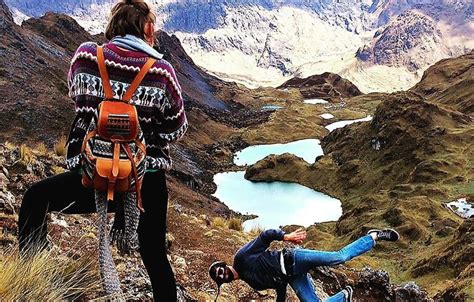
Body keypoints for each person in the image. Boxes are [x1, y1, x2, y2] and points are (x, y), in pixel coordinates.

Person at [17, 0, 187, 300]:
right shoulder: (162, 71)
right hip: (142, 181)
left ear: (114, 24)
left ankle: (34, 280)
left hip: (92, 173)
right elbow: (176, 128)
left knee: (35, 199)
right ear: (147, 28)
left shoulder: (86, 56)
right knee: (155, 256)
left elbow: (77, 99)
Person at [209, 228, 400, 301]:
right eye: (219, 278)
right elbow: (279, 285)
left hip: (295, 258)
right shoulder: (254, 283)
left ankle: (373, 236)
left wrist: (287, 237)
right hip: (292, 276)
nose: (222, 275)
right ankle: (344, 296)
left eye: (220, 270)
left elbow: (265, 236)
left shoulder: (241, 257)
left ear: (223, 265)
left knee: (338, 257)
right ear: (223, 282)